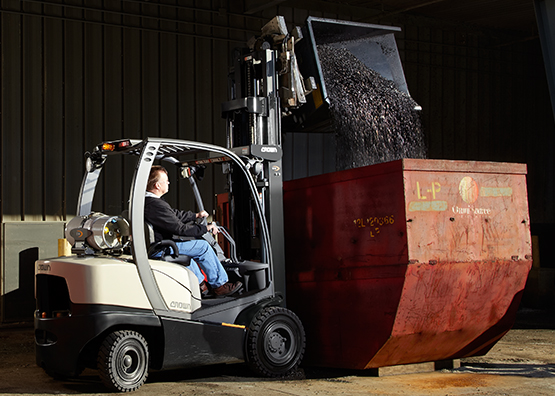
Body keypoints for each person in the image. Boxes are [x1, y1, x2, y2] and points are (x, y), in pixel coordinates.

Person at [144, 165, 242, 297]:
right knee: (203, 247)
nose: (168, 183)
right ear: (157, 185)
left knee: (189, 252)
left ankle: (202, 287)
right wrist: (205, 228)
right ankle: (220, 285)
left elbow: (174, 214)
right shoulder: (155, 204)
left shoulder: (148, 201)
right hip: (161, 248)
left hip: (158, 245)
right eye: (166, 180)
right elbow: (180, 229)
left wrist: (195, 215)